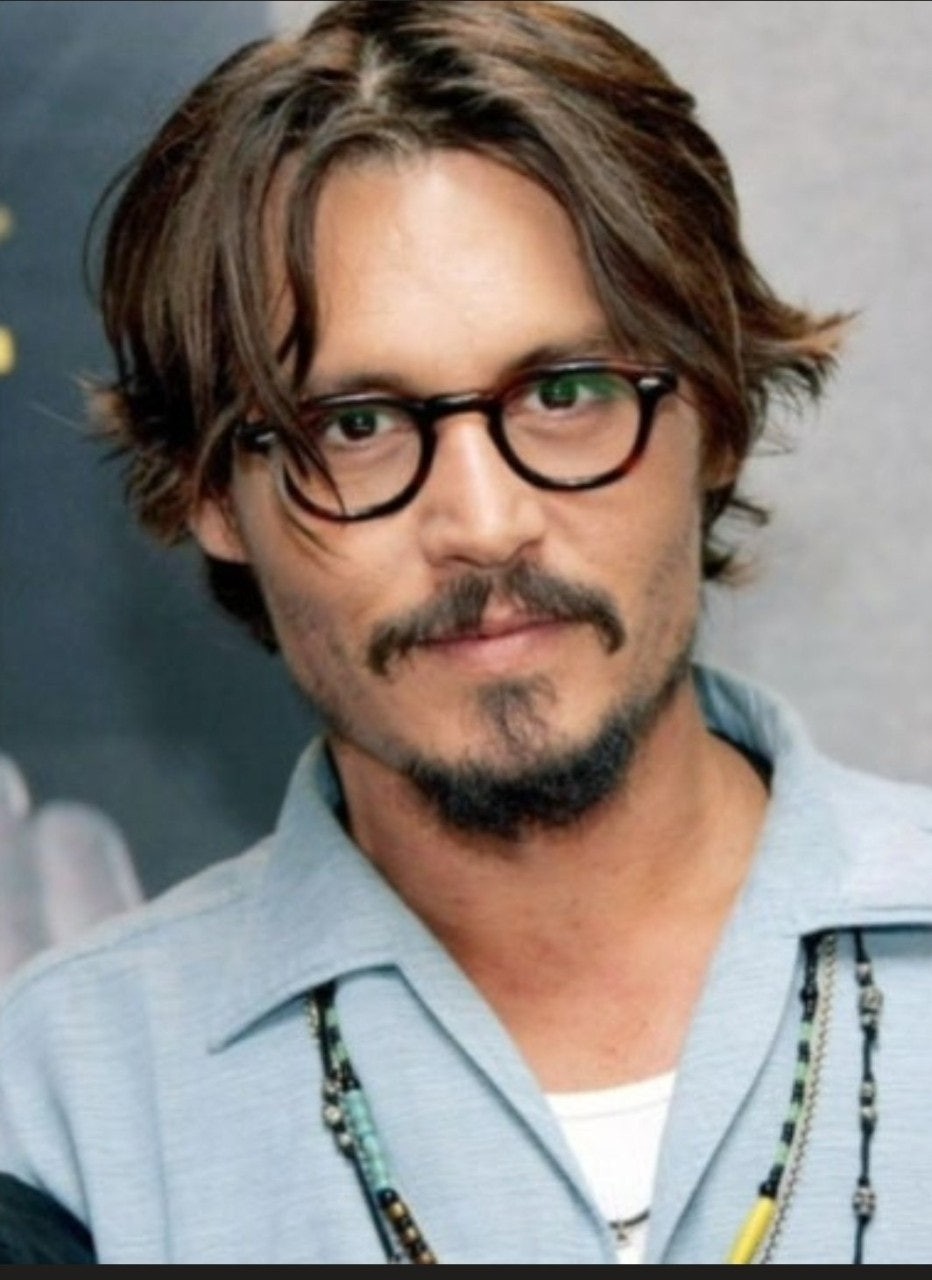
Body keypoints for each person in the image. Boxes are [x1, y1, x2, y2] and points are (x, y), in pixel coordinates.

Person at [0, 0, 929, 1264]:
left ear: (715, 416)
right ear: (210, 491)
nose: (484, 525)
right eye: (356, 426)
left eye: (564, 393)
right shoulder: (58, 1113)